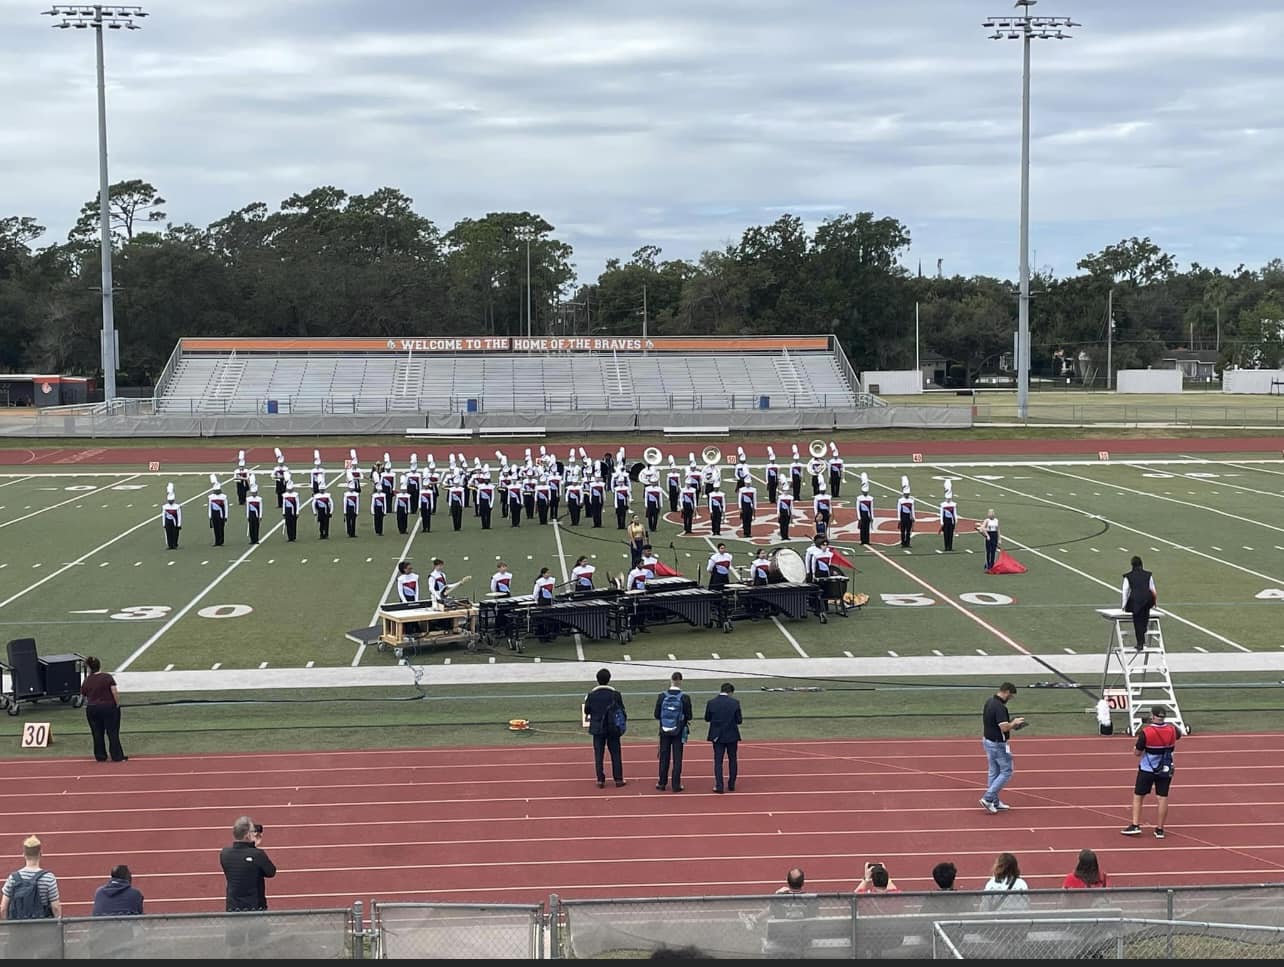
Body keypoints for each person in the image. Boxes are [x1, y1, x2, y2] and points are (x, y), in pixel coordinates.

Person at [1121, 705, 1180, 839]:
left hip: (1147, 769)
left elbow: (1137, 752)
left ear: (1153, 716)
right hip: (1166, 768)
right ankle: (1160, 829)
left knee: (1139, 796)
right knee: (1162, 797)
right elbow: (1177, 735)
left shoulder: (1146, 732)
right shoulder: (1172, 730)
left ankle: (1135, 825)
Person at [980, 681, 1025, 813]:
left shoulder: (989, 701)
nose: (1010, 699)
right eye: (1010, 697)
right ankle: (988, 798)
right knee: (1006, 771)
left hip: (988, 740)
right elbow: (1004, 727)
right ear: (1006, 692)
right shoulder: (999, 707)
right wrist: (1014, 723)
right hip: (998, 743)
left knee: (994, 771)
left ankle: (994, 800)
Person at [219, 816, 276, 911]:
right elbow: (271, 872)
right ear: (247, 835)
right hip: (255, 907)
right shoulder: (257, 854)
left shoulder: (224, 853)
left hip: (233, 907)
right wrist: (254, 848)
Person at [583, 668, 627, 788]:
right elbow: (621, 709)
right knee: (616, 753)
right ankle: (618, 779)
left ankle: (600, 780)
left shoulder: (591, 695)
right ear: (609, 679)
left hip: (598, 727)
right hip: (612, 727)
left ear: (597, 680)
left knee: (599, 754)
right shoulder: (615, 694)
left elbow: (587, 710)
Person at [1, 835, 61, 920]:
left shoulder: (12, 878)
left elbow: (3, 908)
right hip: (41, 926)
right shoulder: (49, 878)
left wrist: (8, 927)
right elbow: (56, 907)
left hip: (18, 927)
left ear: (24, 855)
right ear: (40, 854)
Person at [80, 655, 127, 763]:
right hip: (108, 707)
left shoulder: (87, 680)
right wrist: (117, 704)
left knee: (96, 733)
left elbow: (84, 695)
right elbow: (114, 691)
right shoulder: (107, 677)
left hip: (92, 708)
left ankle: (100, 756)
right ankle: (117, 756)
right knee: (112, 732)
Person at [654, 672, 693, 792]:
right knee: (677, 757)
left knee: (664, 756)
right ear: (681, 681)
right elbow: (689, 716)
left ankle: (662, 783)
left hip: (664, 730)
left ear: (671, 680)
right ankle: (676, 785)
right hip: (679, 730)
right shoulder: (684, 697)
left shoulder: (662, 696)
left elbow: (656, 715)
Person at [704, 682, 742, 793]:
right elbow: (739, 720)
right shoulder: (735, 703)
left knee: (718, 761)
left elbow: (707, 718)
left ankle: (719, 785)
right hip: (731, 735)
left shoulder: (711, 703)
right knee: (733, 760)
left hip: (717, 736)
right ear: (730, 692)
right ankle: (731, 784)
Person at [1121, 555, 1157, 650]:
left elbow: (1125, 591)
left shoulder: (1128, 576)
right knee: (1145, 617)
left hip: (1135, 600)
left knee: (1137, 621)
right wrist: (1154, 602)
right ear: (1142, 564)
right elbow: (1152, 589)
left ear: (1132, 565)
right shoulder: (1148, 575)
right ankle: (1143, 632)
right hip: (1147, 600)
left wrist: (1124, 605)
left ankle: (1140, 643)